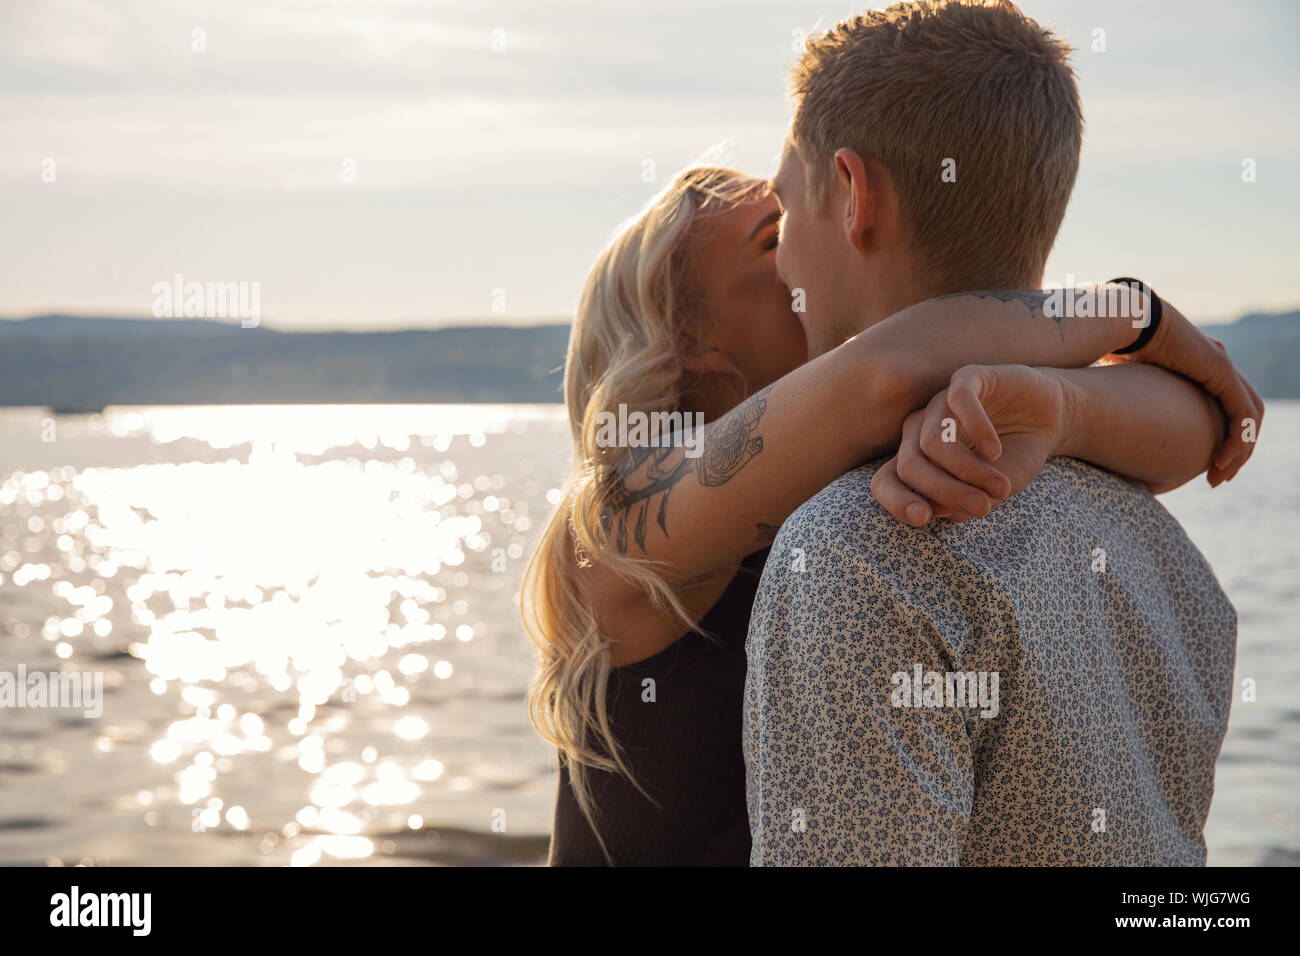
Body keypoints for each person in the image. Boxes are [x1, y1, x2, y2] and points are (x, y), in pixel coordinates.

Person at [743, 0, 1255, 865]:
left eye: (786, 212)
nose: (784, 259)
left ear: (854, 195)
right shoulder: (1168, 559)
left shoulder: (855, 555)